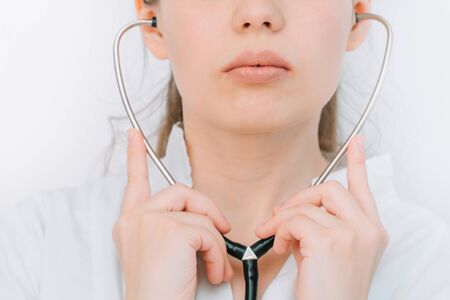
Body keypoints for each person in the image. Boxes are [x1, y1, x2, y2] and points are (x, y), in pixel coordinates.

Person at [1, 0, 450, 299]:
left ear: (356, 11)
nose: (257, 13)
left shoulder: (434, 268)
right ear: (152, 21)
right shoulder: (34, 249)